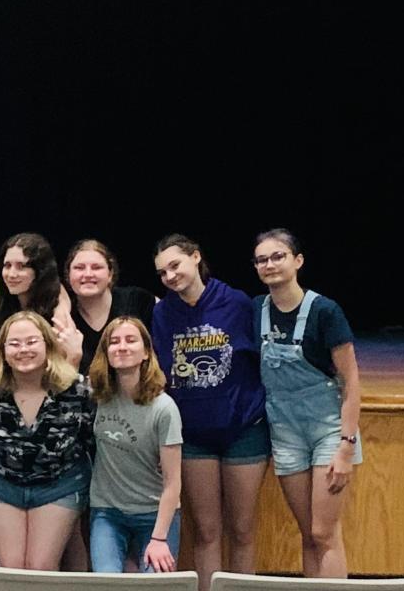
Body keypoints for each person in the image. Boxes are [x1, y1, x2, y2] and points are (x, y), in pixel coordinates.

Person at [151, 234, 268, 590]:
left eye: (175, 265)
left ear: (196, 257)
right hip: (193, 436)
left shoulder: (236, 303)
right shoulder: (162, 312)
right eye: (162, 273)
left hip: (243, 429)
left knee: (243, 530)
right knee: (206, 531)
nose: (170, 276)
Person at [251, 229, 362, 578]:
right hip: (286, 434)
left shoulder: (324, 311)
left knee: (323, 533)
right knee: (308, 534)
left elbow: (351, 382)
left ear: (297, 261)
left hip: (328, 430)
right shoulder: (256, 310)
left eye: (278, 256)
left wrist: (346, 447)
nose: (270, 264)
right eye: (262, 259)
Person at [0, 311, 93, 570]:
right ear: (2, 350)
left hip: (59, 484)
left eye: (32, 342)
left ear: (48, 344)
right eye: (14, 343)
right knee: (10, 568)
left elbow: (90, 438)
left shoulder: (77, 388)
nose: (23, 349)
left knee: (40, 568)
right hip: (1, 483)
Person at [88, 317, 183, 574]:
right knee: (106, 582)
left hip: (154, 513)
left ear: (146, 352)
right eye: (114, 342)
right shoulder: (96, 396)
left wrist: (159, 538)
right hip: (108, 512)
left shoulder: (164, 409)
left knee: (156, 584)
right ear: (105, 353)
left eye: (131, 340)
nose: (122, 347)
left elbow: (173, 483)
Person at [64, 239, 157, 376]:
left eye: (97, 267)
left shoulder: (137, 300)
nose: (88, 274)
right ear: (68, 274)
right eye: (79, 268)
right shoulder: (62, 314)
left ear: (110, 274)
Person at [0, 233, 73, 343]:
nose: (11, 274)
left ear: (40, 271)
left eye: (21, 266)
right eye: (7, 265)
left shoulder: (57, 313)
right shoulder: (1, 304)